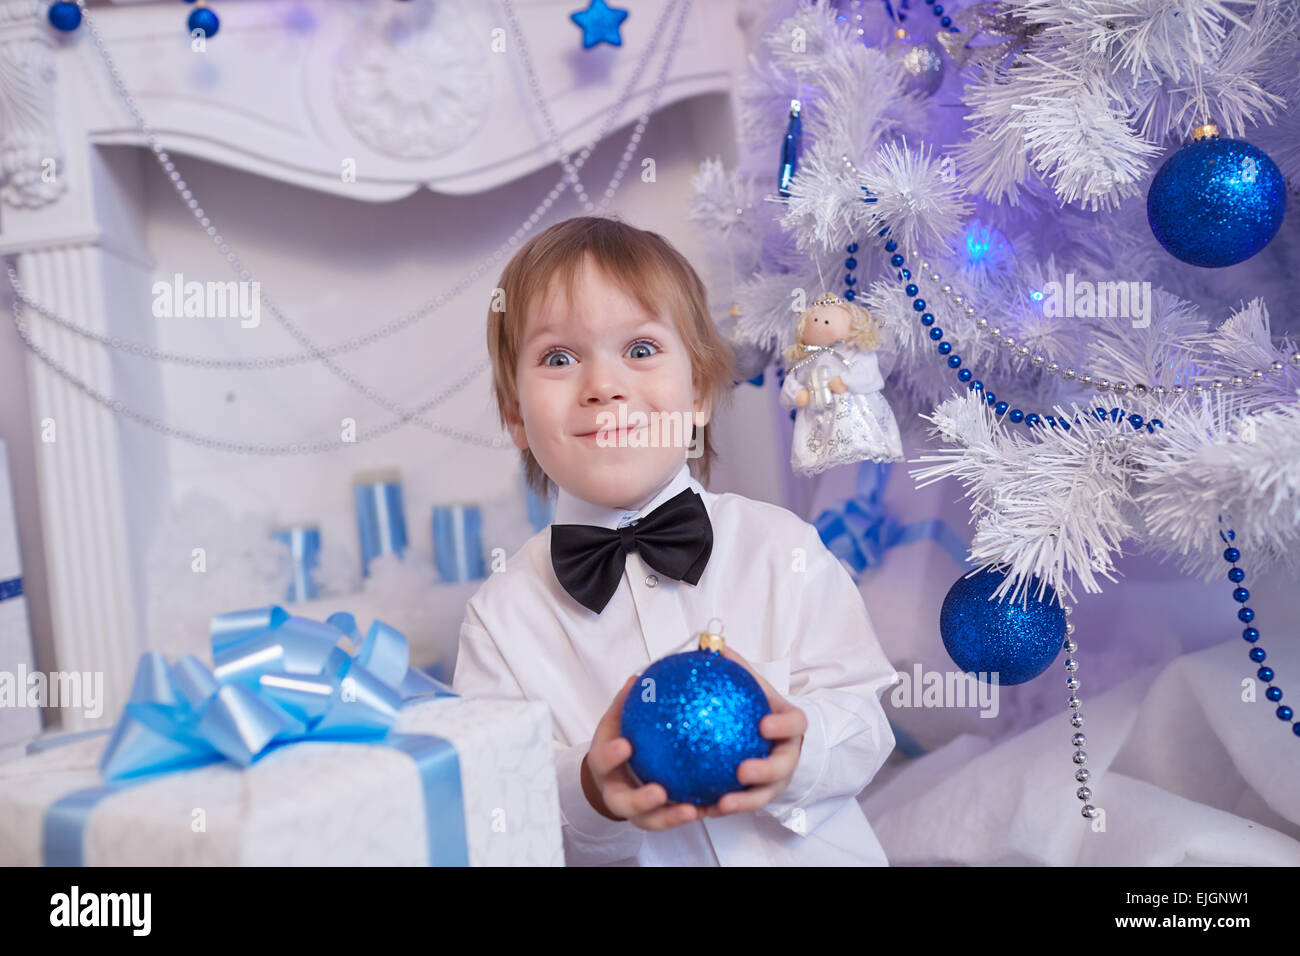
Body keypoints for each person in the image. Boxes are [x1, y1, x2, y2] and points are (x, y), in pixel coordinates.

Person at [453, 216, 899, 865]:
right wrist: (587, 790)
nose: (603, 386)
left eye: (639, 349)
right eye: (558, 358)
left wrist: (805, 752)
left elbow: (866, 717)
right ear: (516, 415)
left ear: (698, 392)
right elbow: (493, 809)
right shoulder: (499, 621)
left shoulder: (784, 549)